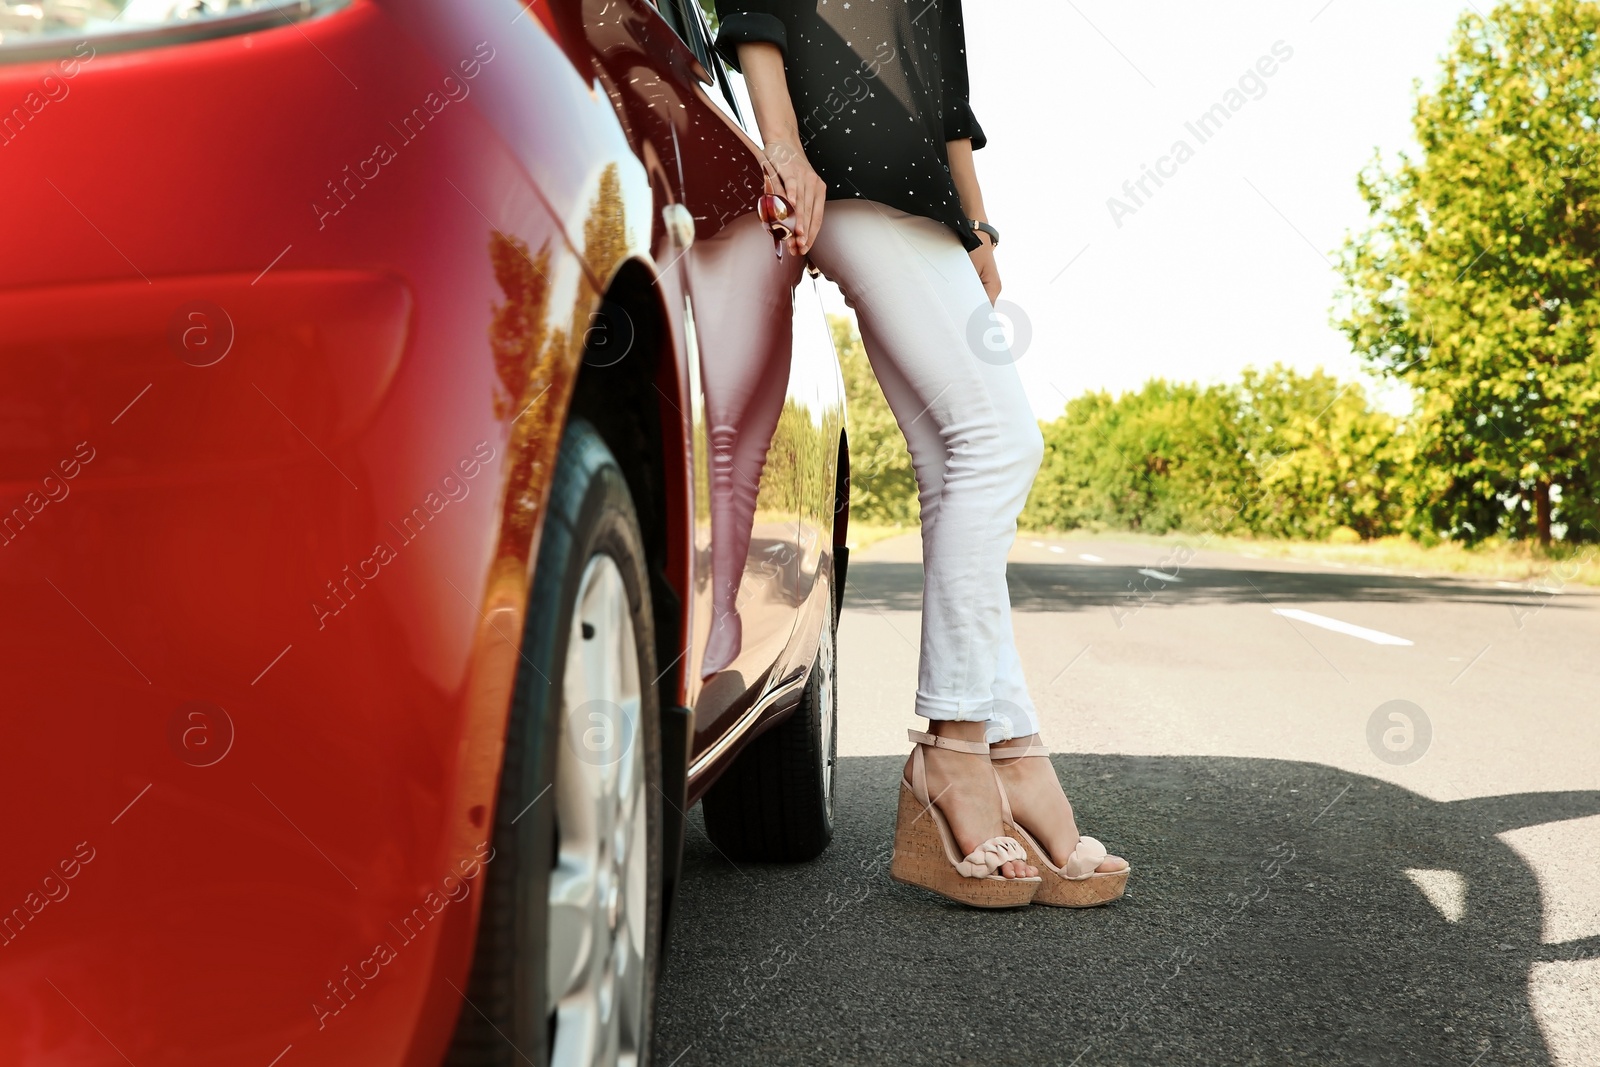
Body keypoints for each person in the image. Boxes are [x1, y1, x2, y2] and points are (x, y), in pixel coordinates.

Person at [712, 0, 1129, 908]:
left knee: (956, 463)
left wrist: (975, 219)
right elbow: (758, 7)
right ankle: (951, 746)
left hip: (921, 191)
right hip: (843, 166)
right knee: (1001, 440)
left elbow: (942, 70)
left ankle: (1013, 751)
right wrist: (782, 145)